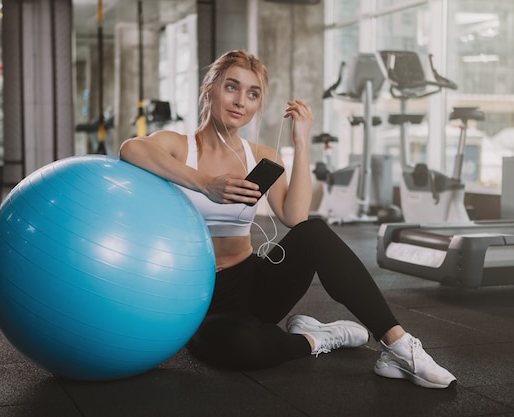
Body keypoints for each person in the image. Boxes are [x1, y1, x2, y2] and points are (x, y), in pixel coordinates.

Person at [119, 49, 456, 389]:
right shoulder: (179, 147)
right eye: (231, 87)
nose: (241, 102)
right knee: (241, 348)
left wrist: (302, 140)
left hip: (251, 284)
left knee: (314, 233)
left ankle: (397, 345)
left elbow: (295, 216)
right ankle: (316, 338)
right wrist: (206, 184)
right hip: (195, 296)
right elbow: (130, 149)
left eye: (253, 94)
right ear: (210, 89)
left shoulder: (262, 156)